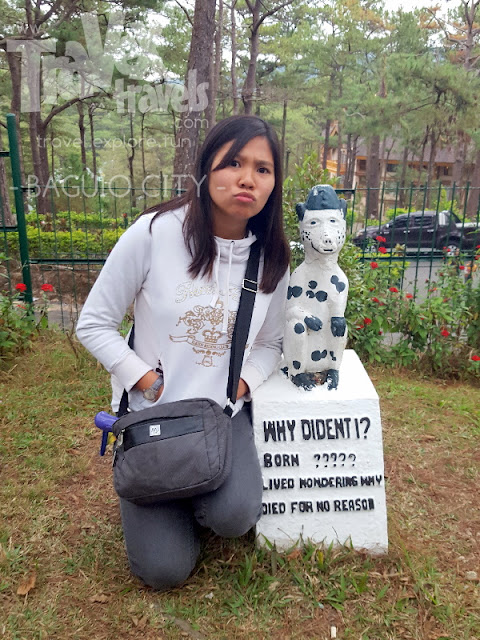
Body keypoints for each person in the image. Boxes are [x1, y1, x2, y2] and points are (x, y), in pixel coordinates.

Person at [76, 115, 290, 590]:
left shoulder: (270, 258)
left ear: (273, 184)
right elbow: (93, 323)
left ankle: (193, 494)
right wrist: (144, 380)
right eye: (233, 163)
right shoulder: (154, 233)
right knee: (164, 572)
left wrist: (241, 385)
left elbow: (271, 344)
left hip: (220, 416)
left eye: (262, 169)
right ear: (206, 169)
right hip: (154, 416)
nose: (247, 179)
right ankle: (166, 496)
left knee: (235, 516)